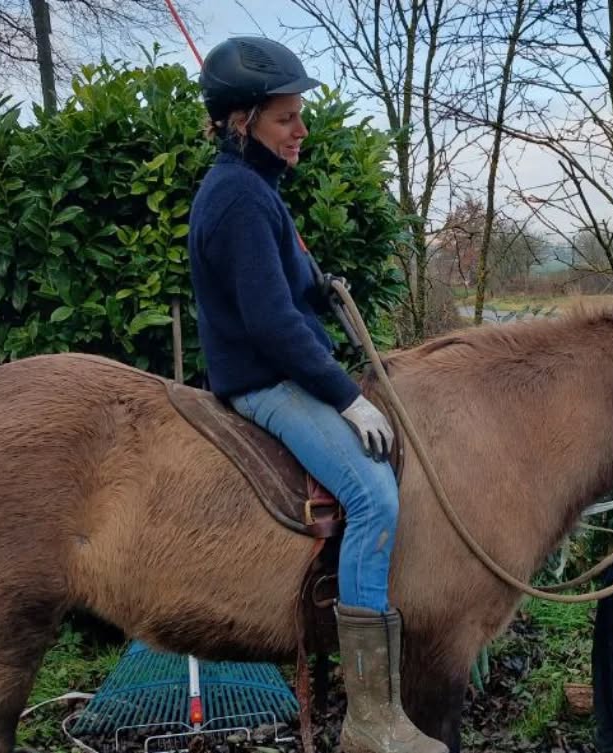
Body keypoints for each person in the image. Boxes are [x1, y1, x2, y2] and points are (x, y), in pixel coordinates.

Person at [187, 37, 447, 753]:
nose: (300, 129)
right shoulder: (240, 198)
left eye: (299, 115)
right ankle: (370, 719)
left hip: (280, 373)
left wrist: (320, 283)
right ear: (241, 122)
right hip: (265, 385)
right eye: (285, 118)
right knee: (374, 496)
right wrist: (346, 397)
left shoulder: (252, 189)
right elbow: (270, 325)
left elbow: (279, 287)